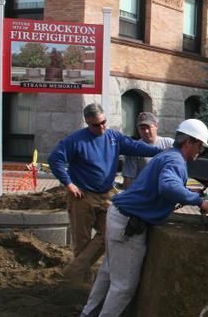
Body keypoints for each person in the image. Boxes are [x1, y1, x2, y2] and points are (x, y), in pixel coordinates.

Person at [74, 119, 208, 317]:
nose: (200, 152)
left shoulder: (167, 156)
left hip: (119, 215)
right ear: (189, 142)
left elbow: (165, 184)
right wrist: (198, 201)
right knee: (124, 285)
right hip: (129, 222)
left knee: (108, 274)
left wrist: (187, 192)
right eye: (200, 146)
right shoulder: (175, 160)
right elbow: (168, 186)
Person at [49, 103, 163, 283]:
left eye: (104, 122)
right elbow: (55, 159)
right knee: (82, 241)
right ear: (87, 122)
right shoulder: (76, 140)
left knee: (111, 233)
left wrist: (162, 151)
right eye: (96, 125)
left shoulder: (113, 137)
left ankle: (72, 272)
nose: (101, 127)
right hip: (82, 196)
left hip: (105, 195)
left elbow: (136, 147)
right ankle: (81, 284)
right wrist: (68, 183)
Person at [122, 112, 174, 189]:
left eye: (148, 127)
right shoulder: (134, 149)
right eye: (142, 128)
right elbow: (128, 178)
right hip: (144, 193)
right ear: (138, 129)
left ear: (156, 126)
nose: (146, 131)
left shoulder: (169, 143)